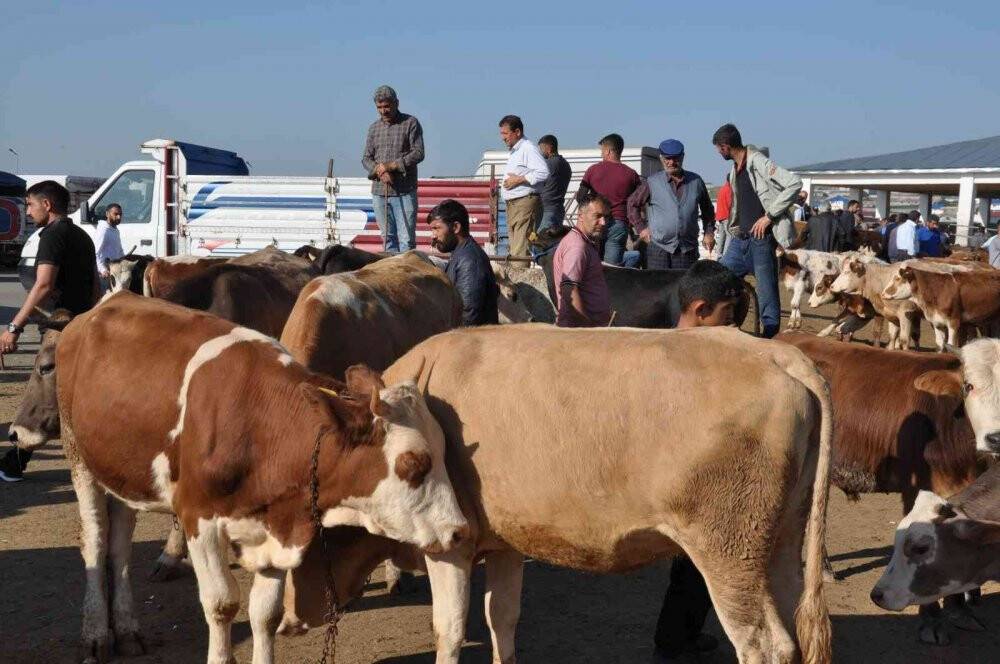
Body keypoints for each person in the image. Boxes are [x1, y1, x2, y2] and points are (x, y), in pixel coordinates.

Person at [652, 259, 743, 663]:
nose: (733, 323)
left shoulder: (673, 348)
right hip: (687, 478)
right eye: (728, 313)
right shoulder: (684, 358)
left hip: (688, 473)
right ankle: (671, 644)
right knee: (695, 566)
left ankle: (682, 636)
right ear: (702, 310)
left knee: (694, 569)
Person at [0, 180, 98, 482]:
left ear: (47, 204)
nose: (28, 212)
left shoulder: (52, 236)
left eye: (30, 205)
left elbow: (43, 285)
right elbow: (95, 286)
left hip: (59, 327)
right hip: (82, 325)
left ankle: (15, 461)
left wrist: (14, 327)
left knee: (42, 395)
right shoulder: (82, 236)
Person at [712, 123, 800, 338]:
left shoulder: (758, 161)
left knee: (766, 291)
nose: (718, 153)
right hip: (739, 239)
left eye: (718, 149)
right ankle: (726, 322)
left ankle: (770, 337)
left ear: (725, 146)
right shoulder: (735, 169)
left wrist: (769, 217)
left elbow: (794, 183)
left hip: (760, 240)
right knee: (718, 279)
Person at [626, 139, 715, 270]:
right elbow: (631, 204)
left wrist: (709, 232)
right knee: (657, 283)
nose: (672, 162)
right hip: (658, 249)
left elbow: (708, 209)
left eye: (676, 158)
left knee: (684, 283)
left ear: (683, 157)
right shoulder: (652, 182)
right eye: (668, 158)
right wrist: (641, 229)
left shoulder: (696, 181)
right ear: (661, 158)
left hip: (687, 249)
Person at [362, 85, 425, 253]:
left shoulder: (410, 123)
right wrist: (380, 170)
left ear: (396, 103)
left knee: (406, 241)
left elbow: (418, 153)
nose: (383, 111)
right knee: (387, 239)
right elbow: (366, 158)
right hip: (380, 192)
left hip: (405, 191)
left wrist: (392, 166)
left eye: (387, 106)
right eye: (379, 107)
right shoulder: (374, 128)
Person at [428, 199, 498, 326]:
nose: (433, 235)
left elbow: (467, 316)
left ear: (456, 227)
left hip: (471, 337)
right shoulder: (460, 254)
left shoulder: (470, 261)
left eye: (437, 228)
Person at [577, 133, 641, 266]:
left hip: (595, 220)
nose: (601, 154)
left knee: (592, 264)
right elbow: (639, 201)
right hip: (619, 223)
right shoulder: (632, 174)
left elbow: (581, 197)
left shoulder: (593, 170)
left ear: (608, 151)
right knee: (612, 268)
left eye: (602, 151)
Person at [552, 193, 612, 327]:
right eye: (597, 216)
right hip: (579, 331)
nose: (603, 222)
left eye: (605, 217)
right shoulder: (577, 247)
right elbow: (569, 289)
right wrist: (587, 330)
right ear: (580, 216)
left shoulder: (584, 243)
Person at [498, 115, 549, 257]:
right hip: (515, 205)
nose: (503, 138)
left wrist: (519, 180)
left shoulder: (528, 148)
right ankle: (517, 271)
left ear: (517, 132)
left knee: (520, 250)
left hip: (524, 204)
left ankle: (519, 272)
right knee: (515, 249)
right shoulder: (516, 151)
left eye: (505, 133)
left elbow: (543, 173)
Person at [536, 134, 572, 234]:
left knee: (543, 239)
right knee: (554, 239)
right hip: (558, 209)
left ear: (549, 147)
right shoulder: (565, 164)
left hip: (546, 210)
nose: (540, 152)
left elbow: (536, 181)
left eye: (542, 148)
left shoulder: (549, 163)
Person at [95, 203, 125, 290]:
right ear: (107, 214)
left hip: (115, 271)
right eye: (116, 214)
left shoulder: (115, 230)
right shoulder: (103, 230)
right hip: (105, 274)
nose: (119, 217)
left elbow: (119, 251)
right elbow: (96, 252)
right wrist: (103, 270)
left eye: (120, 214)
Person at [714, 181, 733, 258]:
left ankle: (719, 254)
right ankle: (726, 255)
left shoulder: (722, 189)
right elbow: (730, 203)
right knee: (729, 235)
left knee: (722, 236)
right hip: (727, 215)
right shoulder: (729, 189)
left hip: (720, 216)